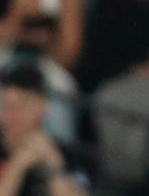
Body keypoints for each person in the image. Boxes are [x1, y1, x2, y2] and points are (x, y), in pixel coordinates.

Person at [0, 64, 88, 196]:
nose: (12, 116)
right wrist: (18, 165)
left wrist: (53, 166)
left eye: (22, 107)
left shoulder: (67, 154)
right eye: (8, 106)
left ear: (42, 106)